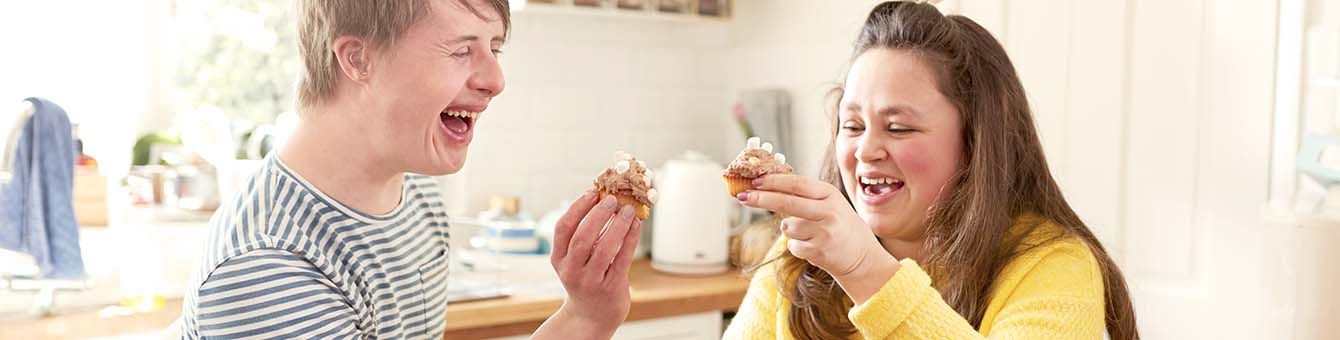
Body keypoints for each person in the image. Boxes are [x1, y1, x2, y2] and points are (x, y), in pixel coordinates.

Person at [177, 0, 641, 338]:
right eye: (462, 50)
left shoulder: (417, 196)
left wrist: (586, 316)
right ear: (359, 59)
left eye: (494, 49)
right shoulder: (269, 268)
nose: (496, 81)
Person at [723, 2, 1139, 339]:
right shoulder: (801, 258)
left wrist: (863, 269)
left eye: (899, 127)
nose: (865, 149)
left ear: (977, 142)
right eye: (852, 126)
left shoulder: (1053, 267)